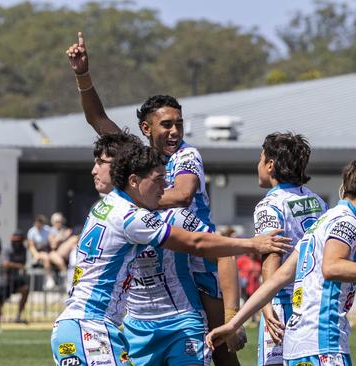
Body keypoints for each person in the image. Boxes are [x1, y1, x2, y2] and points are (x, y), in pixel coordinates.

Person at [66, 33, 243, 364]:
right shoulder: (138, 159)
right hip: (153, 260)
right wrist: (82, 75)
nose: (175, 131)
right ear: (146, 129)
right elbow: (98, 120)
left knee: (220, 346)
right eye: (167, 124)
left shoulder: (187, 156)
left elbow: (183, 195)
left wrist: (127, 202)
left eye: (179, 123)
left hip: (196, 256)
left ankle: (229, 326)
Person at [50, 141, 291, 366]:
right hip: (91, 328)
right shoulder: (130, 216)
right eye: (158, 180)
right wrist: (253, 244)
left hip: (79, 326)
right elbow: (196, 242)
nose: (165, 187)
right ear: (134, 180)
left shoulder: (106, 205)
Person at [206, 157, 356, 365]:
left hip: (298, 345)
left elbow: (277, 280)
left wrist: (234, 323)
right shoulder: (346, 221)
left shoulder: (322, 222)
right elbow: (332, 267)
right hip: (324, 341)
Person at [253, 132, 327, 366]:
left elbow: (272, 254)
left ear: (270, 166)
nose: (258, 165)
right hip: (313, 301)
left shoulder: (269, 205)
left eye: (261, 159)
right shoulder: (318, 202)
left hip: (282, 302)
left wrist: (265, 304)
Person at [0, 230, 30, 332]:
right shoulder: (7, 249)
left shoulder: (23, 250)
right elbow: (6, 264)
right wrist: (20, 266)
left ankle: (18, 315)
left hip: (12, 278)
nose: (16, 243)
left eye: (18, 241)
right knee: (0, 302)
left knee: (25, 289)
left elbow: (23, 264)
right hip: (0, 278)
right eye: (15, 241)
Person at [26, 214, 56, 290]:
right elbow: (31, 246)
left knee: (56, 258)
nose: (40, 224)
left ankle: (64, 279)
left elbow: (52, 240)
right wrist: (36, 255)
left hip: (47, 251)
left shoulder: (47, 229)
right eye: (38, 222)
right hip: (36, 253)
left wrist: (53, 244)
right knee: (46, 258)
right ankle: (49, 278)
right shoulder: (31, 231)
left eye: (41, 222)